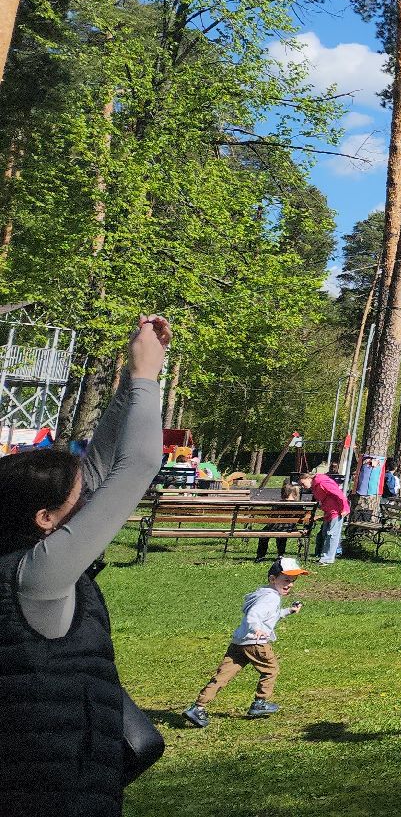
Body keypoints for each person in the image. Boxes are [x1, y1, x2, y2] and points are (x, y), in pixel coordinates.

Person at [0, 316, 169, 810]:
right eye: (81, 498)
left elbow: (98, 464)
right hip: (49, 793)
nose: (92, 500)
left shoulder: (24, 550)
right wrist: (145, 381)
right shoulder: (38, 577)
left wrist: (126, 383)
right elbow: (137, 466)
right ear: (46, 518)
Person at [183, 556, 307, 727]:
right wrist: (257, 629)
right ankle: (260, 702)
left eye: (293, 581)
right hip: (256, 642)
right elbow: (254, 615)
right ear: (272, 579)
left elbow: (269, 615)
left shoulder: (263, 593)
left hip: (239, 642)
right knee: (271, 670)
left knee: (222, 676)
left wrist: (289, 611)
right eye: (286, 580)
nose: (290, 584)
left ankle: (198, 707)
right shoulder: (271, 597)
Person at [256, 474, 308, 560]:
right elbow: (303, 516)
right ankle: (280, 554)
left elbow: (272, 516)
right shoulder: (298, 505)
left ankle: (260, 555)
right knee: (282, 534)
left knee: (264, 534)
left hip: (276, 526)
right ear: (295, 494)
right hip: (291, 527)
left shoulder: (277, 504)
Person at [311, 464, 349, 565]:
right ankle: (323, 555)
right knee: (324, 534)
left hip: (337, 511)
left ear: (307, 478)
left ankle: (327, 558)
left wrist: (344, 508)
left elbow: (339, 494)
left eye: (302, 483)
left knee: (332, 534)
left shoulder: (322, 482)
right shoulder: (315, 485)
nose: (302, 486)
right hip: (328, 511)